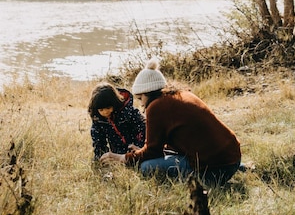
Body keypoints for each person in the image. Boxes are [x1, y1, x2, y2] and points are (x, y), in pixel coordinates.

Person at [100, 58, 241, 186]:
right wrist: (142, 152)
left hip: (213, 171)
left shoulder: (156, 107)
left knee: (145, 167)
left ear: (147, 94)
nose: (141, 105)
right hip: (232, 158)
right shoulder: (181, 95)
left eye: (140, 98)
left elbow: (152, 152)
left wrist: (120, 157)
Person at [88, 82, 146, 161]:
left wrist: (139, 147)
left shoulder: (128, 112)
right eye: (101, 110)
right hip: (117, 153)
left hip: (136, 149)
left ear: (114, 103)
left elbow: (142, 127)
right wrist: (100, 157)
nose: (105, 112)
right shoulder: (98, 119)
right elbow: (98, 140)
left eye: (108, 108)